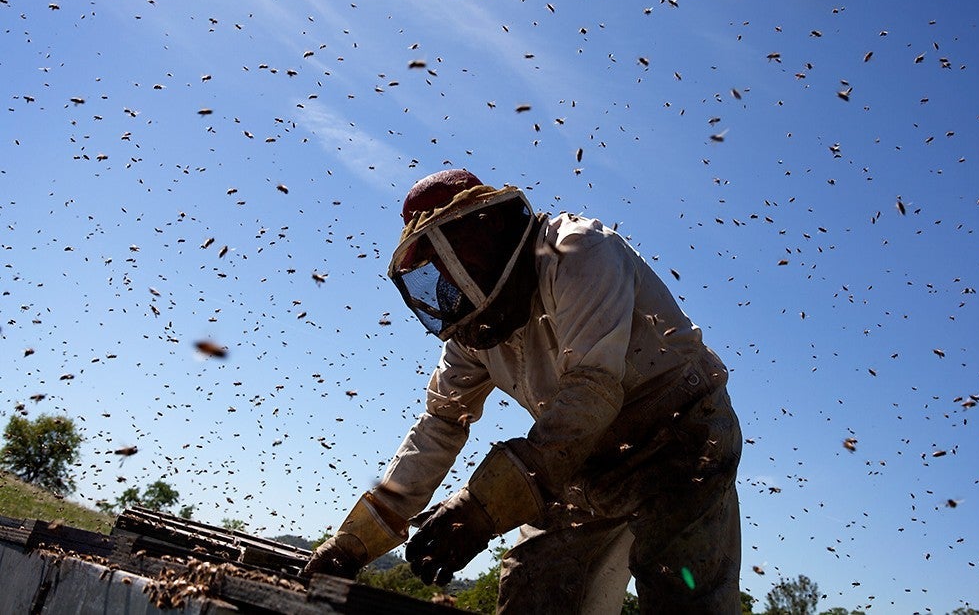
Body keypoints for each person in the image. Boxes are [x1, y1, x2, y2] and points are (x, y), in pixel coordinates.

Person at [303, 170, 742, 614]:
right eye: (436, 265)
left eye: (454, 252)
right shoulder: (473, 331)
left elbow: (593, 389)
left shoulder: (575, 249)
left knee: (682, 596)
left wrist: (482, 507)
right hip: (577, 456)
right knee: (531, 588)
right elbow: (439, 426)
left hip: (680, 438)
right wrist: (353, 545)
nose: (450, 278)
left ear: (488, 224)